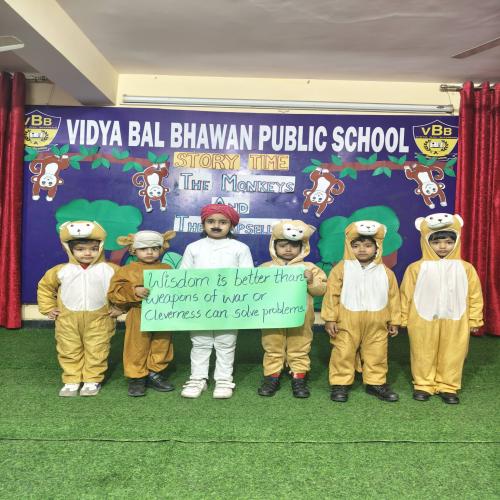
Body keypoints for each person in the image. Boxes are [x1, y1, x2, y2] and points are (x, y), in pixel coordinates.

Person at [400, 213, 483, 404]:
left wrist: (474, 319)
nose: (443, 246)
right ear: (426, 241)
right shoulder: (415, 268)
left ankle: (448, 386)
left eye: (448, 242)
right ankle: (423, 384)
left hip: (456, 319)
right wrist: (402, 317)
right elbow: (405, 294)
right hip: (422, 319)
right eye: (436, 242)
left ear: (457, 241)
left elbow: (475, 295)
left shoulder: (466, 269)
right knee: (422, 351)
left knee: (454, 352)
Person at [37, 220, 121, 397]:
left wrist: (120, 308)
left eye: (93, 248)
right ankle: (71, 380)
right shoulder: (61, 270)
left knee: (97, 349)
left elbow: (124, 289)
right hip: (67, 319)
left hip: (100, 319)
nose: (87, 253)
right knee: (68, 349)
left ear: (101, 247)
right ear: (69, 249)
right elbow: (45, 287)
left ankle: (92, 380)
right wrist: (48, 307)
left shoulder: (111, 270)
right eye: (81, 249)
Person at [179, 203, 254, 399]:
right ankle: (198, 379)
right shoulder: (193, 248)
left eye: (223, 222)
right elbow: (182, 277)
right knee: (200, 343)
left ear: (231, 225)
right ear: (203, 224)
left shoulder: (240, 248)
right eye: (211, 221)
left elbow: (248, 278)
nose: (216, 225)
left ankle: (223, 380)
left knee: (226, 343)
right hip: (199, 306)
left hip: (229, 305)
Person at [321, 220, 400, 403]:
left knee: (377, 353)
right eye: (355, 246)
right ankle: (340, 383)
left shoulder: (386, 273)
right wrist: (330, 318)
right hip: (346, 322)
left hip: (377, 323)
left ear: (377, 247)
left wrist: (395, 320)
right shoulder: (341, 269)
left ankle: (375, 382)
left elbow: (394, 298)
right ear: (348, 247)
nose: (362, 250)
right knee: (343, 352)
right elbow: (331, 295)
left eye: (367, 245)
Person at [258, 220, 327, 398]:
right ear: (274, 246)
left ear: (303, 247)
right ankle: (272, 375)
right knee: (272, 344)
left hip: (301, 319)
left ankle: (299, 376)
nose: (288, 249)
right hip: (272, 318)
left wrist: (311, 281)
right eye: (282, 245)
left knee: (300, 345)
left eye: (294, 245)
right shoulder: (265, 268)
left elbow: (321, 290)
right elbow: (255, 292)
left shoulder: (310, 268)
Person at [107, 230, 177, 397]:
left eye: (154, 248)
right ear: (134, 250)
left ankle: (155, 372)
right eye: (144, 249)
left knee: (162, 342)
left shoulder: (167, 268)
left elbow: (176, 290)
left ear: (161, 249)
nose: (149, 252)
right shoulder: (127, 270)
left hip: (162, 314)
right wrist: (134, 290)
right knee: (137, 345)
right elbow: (114, 291)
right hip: (138, 312)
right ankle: (137, 377)